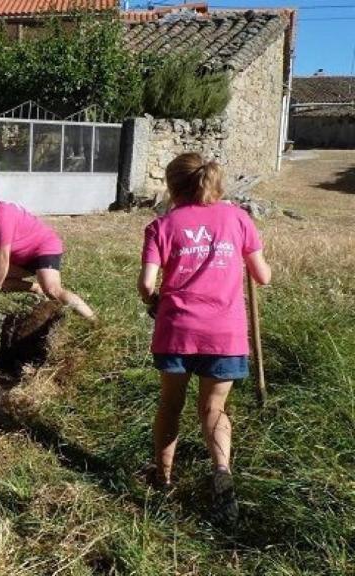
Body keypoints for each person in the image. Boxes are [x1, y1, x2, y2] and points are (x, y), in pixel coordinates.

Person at [137, 152, 271, 526]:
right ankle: (222, 472)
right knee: (214, 409)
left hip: (177, 330)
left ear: (172, 186)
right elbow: (263, 277)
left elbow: (148, 284)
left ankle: (162, 479)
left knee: (170, 404)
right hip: (224, 334)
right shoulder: (238, 218)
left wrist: (154, 302)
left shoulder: (162, 225)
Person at [0, 191, 95, 319]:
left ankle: (93, 321)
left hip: (42, 249)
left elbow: (3, 256)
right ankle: (36, 288)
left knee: (52, 290)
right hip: (20, 257)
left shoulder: (2, 215)